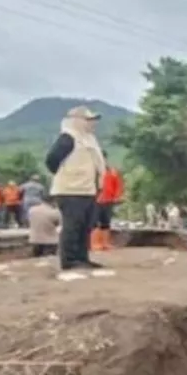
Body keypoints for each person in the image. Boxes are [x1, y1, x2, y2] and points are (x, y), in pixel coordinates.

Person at [44, 106, 106, 272]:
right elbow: (51, 160)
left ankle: (82, 258)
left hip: (87, 190)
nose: (93, 123)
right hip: (70, 190)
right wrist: (69, 175)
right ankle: (69, 260)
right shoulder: (68, 138)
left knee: (85, 226)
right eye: (89, 120)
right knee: (72, 226)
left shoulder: (89, 139)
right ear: (77, 121)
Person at [94, 154, 125, 251]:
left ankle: (105, 243)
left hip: (108, 200)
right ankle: (95, 243)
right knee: (95, 222)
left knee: (106, 222)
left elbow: (118, 185)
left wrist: (117, 197)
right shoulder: (93, 172)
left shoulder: (112, 172)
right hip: (95, 200)